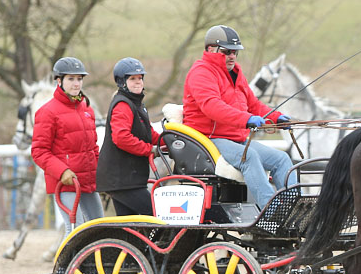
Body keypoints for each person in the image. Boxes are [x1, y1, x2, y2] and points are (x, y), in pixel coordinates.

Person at [182, 25, 296, 209]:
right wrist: (246, 119)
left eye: (235, 52)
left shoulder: (235, 73)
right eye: (227, 51)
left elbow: (253, 105)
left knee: (281, 159)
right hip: (208, 140)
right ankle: (272, 211)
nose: (232, 56)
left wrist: (276, 117)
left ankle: (294, 209)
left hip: (236, 140)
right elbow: (212, 107)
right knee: (248, 156)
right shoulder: (201, 73)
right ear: (211, 49)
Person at [31, 57, 105, 232]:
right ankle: (65, 261)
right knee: (75, 230)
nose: (76, 83)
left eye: (79, 79)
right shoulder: (47, 112)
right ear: (59, 81)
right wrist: (62, 171)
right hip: (65, 183)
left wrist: (102, 174)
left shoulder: (87, 109)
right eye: (71, 79)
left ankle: (93, 260)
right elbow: (39, 151)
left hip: (87, 182)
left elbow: (93, 148)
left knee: (100, 227)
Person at [96, 58, 160, 216]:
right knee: (157, 214)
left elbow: (148, 132)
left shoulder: (137, 104)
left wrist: (171, 142)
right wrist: (149, 150)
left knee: (129, 228)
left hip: (128, 181)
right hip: (122, 181)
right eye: (132, 79)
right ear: (121, 82)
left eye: (140, 78)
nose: (138, 82)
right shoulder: (123, 105)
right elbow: (121, 138)